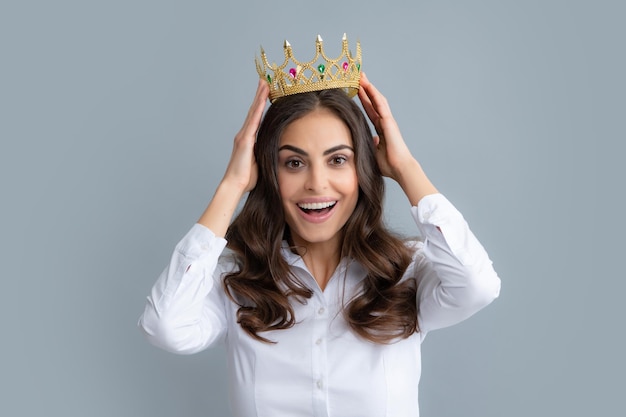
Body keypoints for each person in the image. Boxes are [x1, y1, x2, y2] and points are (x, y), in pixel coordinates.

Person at [138, 71, 501, 416]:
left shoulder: (407, 273)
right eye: (294, 163)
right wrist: (231, 186)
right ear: (266, 171)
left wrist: (406, 167)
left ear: (362, 169)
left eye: (338, 160)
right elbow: (165, 326)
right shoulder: (236, 284)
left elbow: (478, 286)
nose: (316, 183)